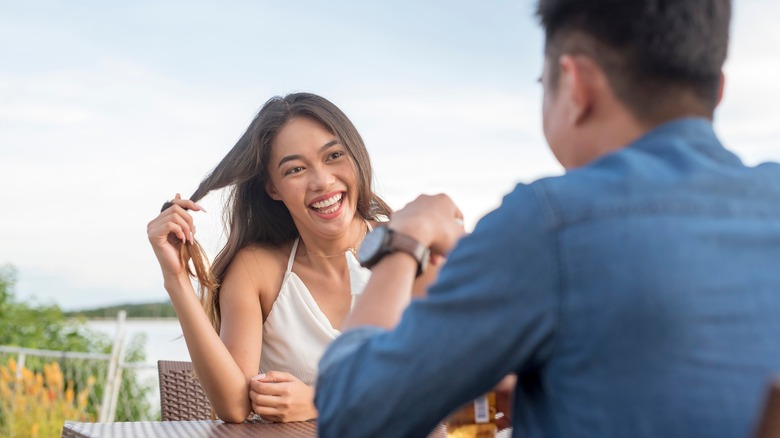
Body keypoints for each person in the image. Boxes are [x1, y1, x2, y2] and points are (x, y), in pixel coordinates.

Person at [314, 1, 780, 437]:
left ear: (575, 85)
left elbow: (349, 414)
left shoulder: (550, 224)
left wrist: (403, 241)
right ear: (717, 90)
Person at [147, 93, 407, 423]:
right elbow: (235, 407)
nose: (322, 181)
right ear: (273, 188)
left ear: (356, 157)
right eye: (295, 169)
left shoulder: (407, 248)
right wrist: (178, 280)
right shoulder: (258, 269)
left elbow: (446, 379)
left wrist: (321, 401)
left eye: (334, 156)